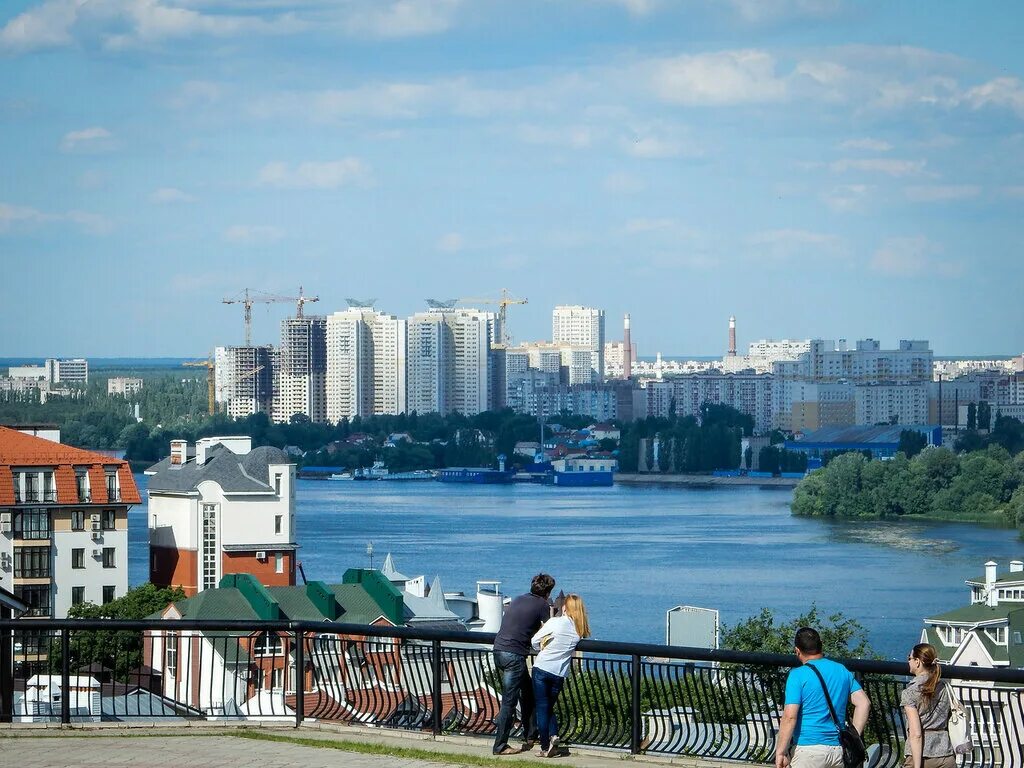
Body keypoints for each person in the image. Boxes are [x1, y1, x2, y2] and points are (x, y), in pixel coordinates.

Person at [775, 627, 871, 768]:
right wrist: (852, 735)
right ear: (821, 646)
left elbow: (790, 717)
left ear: (797, 650)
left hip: (808, 749)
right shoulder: (841, 670)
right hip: (837, 750)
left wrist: (781, 752)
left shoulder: (797, 675)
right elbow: (864, 703)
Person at [492, 573, 555, 755]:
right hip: (514, 655)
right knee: (509, 702)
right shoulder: (542, 604)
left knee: (528, 692)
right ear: (547, 592)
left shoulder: (519, 599)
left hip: (499, 650)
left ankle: (530, 734)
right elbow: (550, 629)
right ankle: (500, 746)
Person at [531, 593, 591, 758]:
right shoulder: (579, 631)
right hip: (559, 674)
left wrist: (543, 646)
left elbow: (534, 641)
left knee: (542, 709)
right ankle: (554, 735)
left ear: (565, 607)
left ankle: (544, 746)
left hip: (542, 668)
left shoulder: (555, 622)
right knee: (549, 706)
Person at [902, 643, 955, 768]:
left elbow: (916, 734)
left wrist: (917, 765)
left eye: (909, 658)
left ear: (917, 662)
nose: (908, 661)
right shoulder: (944, 687)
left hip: (921, 756)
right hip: (945, 754)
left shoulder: (910, 691)